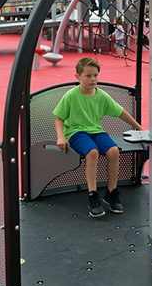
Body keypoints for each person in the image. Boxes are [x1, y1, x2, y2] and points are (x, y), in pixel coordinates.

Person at [53, 57, 143, 218]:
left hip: (96, 130)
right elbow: (59, 118)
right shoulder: (71, 95)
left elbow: (121, 113)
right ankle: (93, 195)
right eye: (88, 76)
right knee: (92, 152)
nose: (93, 79)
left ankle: (111, 191)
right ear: (78, 77)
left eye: (95, 75)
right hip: (75, 132)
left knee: (114, 151)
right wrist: (60, 136)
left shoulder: (101, 96)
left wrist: (139, 127)